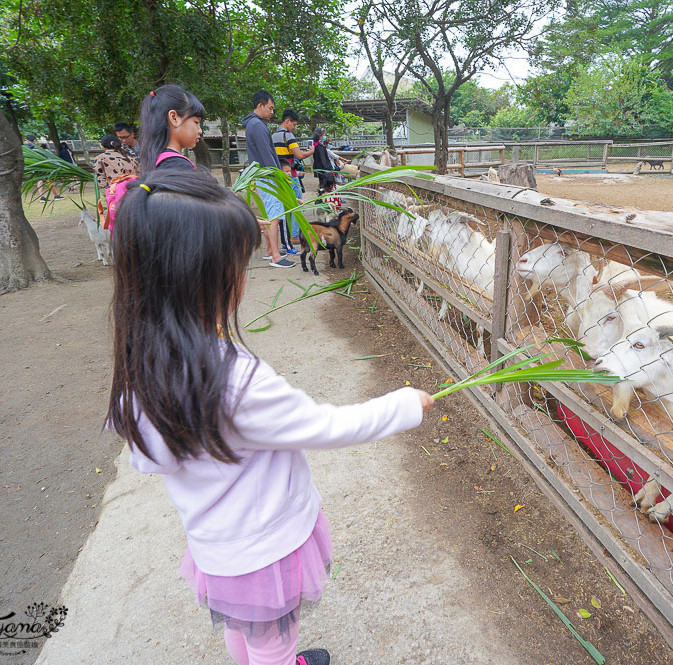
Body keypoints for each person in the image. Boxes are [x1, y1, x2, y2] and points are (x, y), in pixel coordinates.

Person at [106, 169, 434, 665]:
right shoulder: (235, 382)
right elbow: (327, 426)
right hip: (267, 550)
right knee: (275, 643)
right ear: (203, 277)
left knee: (245, 626)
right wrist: (405, 404)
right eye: (238, 267)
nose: (242, 279)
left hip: (218, 548)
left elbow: (148, 457)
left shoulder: (140, 361)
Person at [242, 90, 295, 268]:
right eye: (270, 108)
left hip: (264, 175)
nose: (272, 112)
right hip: (268, 176)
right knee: (275, 215)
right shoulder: (257, 125)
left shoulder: (254, 124)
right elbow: (267, 154)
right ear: (260, 105)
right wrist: (278, 176)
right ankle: (276, 257)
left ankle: (269, 252)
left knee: (270, 214)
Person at [137, 85, 202, 173]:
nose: (200, 130)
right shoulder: (178, 165)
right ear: (174, 118)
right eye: (196, 122)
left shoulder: (154, 160)